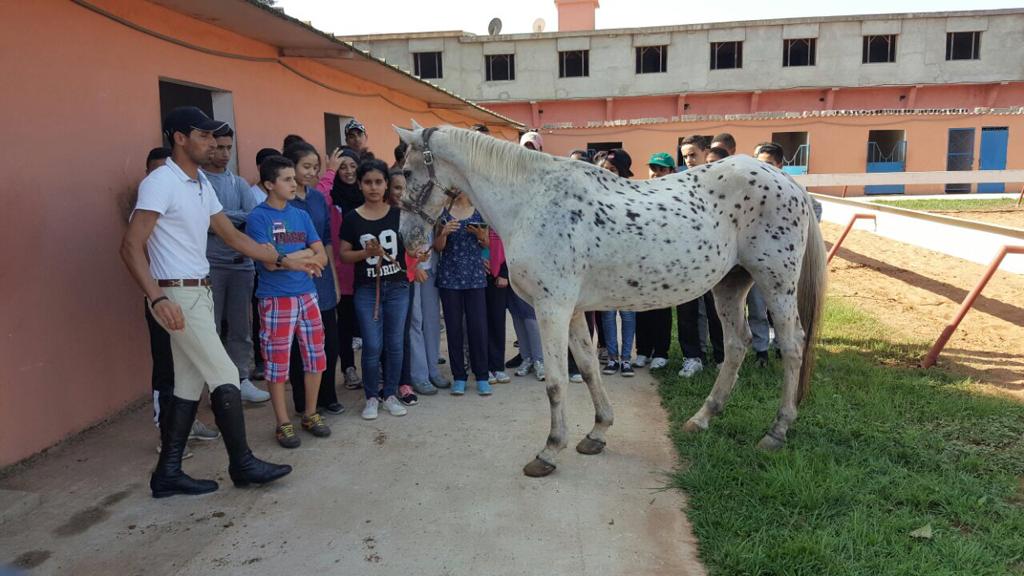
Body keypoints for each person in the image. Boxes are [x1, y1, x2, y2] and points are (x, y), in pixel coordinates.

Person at [121, 106, 303, 498]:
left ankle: (167, 473)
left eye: (212, 136)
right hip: (176, 293)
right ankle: (243, 463)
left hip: (199, 289)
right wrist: (156, 298)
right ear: (179, 138)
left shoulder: (200, 182)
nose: (211, 143)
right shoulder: (160, 182)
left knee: (187, 385)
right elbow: (131, 245)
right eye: (202, 136)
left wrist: (282, 258)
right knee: (224, 373)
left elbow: (231, 237)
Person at [247, 155, 331, 448]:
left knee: (315, 357)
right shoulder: (258, 217)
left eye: (293, 179)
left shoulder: (301, 215)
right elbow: (268, 265)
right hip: (276, 299)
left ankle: (310, 413)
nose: (294, 184)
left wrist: (285, 257)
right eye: (286, 179)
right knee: (277, 364)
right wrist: (301, 255)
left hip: (307, 295)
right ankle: (283, 423)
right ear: (270, 184)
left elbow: (321, 255)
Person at [200, 125, 270, 404]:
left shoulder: (239, 183)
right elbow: (202, 218)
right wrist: (227, 219)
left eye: (229, 147)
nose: (224, 153)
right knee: (211, 328)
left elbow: (252, 218)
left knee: (241, 327)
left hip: (242, 265)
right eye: (219, 146)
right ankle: (215, 384)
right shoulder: (199, 182)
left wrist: (219, 219)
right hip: (210, 265)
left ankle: (241, 378)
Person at [339, 159, 410, 420]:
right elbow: (344, 255)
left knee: (394, 344)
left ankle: (390, 394)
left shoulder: (399, 214)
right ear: (360, 185)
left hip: (398, 287)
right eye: (368, 182)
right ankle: (371, 396)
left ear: (386, 185)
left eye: (378, 182)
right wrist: (364, 253)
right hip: (368, 290)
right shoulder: (352, 218)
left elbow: (411, 248)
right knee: (371, 345)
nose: (373, 187)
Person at [283, 142, 345, 416]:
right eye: (305, 167)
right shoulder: (284, 202)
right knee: (300, 347)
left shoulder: (319, 199)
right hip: (296, 278)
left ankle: (328, 395)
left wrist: (333, 278)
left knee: (329, 344)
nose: (311, 172)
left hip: (322, 279)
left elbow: (328, 240)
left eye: (315, 168)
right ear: (291, 168)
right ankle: (303, 400)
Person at [434, 191, 492, 395]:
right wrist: (444, 233)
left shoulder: (479, 211)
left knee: (478, 327)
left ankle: (482, 376)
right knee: (454, 328)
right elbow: (438, 247)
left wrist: (480, 236)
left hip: (475, 276)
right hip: (450, 277)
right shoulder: (443, 212)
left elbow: (486, 245)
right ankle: (459, 376)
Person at [676, 135, 725, 378]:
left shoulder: (720, 184)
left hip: (713, 257)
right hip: (685, 259)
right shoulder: (680, 183)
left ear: (706, 151)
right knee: (686, 311)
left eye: (693, 154)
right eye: (685, 156)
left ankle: (721, 358)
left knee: (717, 310)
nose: (689, 160)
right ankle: (692, 357)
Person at [596, 149, 637, 377]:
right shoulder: (596, 197)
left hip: (629, 266)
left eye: (612, 170)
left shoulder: (632, 196)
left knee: (629, 315)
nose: (607, 174)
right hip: (605, 267)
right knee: (608, 314)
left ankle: (626, 359)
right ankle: (611, 358)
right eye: (603, 170)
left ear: (622, 172)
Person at [634, 152, 675, 371]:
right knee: (641, 307)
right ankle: (642, 351)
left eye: (661, 169)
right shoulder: (641, 194)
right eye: (654, 168)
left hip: (665, 262)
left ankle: (661, 352)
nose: (656, 173)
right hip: (642, 261)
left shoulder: (675, 197)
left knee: (661, 307)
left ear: (671, 172)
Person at [328, 148, 364, 389]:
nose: (349, 171)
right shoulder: (331, 198)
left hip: (367, 267)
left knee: (366, 321)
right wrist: (328, 173)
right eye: (343, 167)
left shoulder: (368, 195)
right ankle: (349, 368)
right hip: (342, 269)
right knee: (346, 322)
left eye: (352, 166)